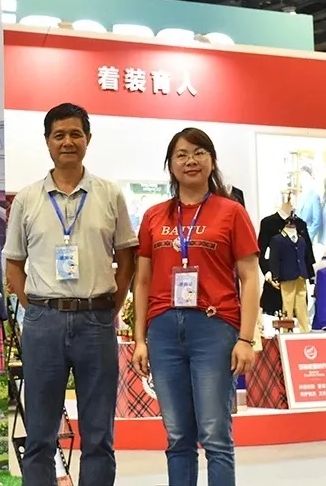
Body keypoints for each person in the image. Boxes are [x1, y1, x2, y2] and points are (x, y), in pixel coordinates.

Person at [3, 102, 138, 486]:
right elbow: (14, 265)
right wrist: (37, 308)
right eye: (59, 135)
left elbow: (127, 259)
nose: (67, 142)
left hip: (97, 320)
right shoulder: (28, 199)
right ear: (47, 141)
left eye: (75, 134)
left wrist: (112, 305)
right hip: (43, 322)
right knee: (40, 435)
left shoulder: (109, 194)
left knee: (98, 434)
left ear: (87, 139)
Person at [131, 127, 260, 486]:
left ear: (211, 161)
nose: (191, 161)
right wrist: (140, 339)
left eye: (199, 152)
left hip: (214, 328)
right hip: (163, 331)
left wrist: (246, 339)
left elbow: (250, 277)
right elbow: (142, 281)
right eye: (182, 155)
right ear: (170, 165)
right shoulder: (154, 216)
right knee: (177, 437)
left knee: (215, 435)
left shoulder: (231, 212)